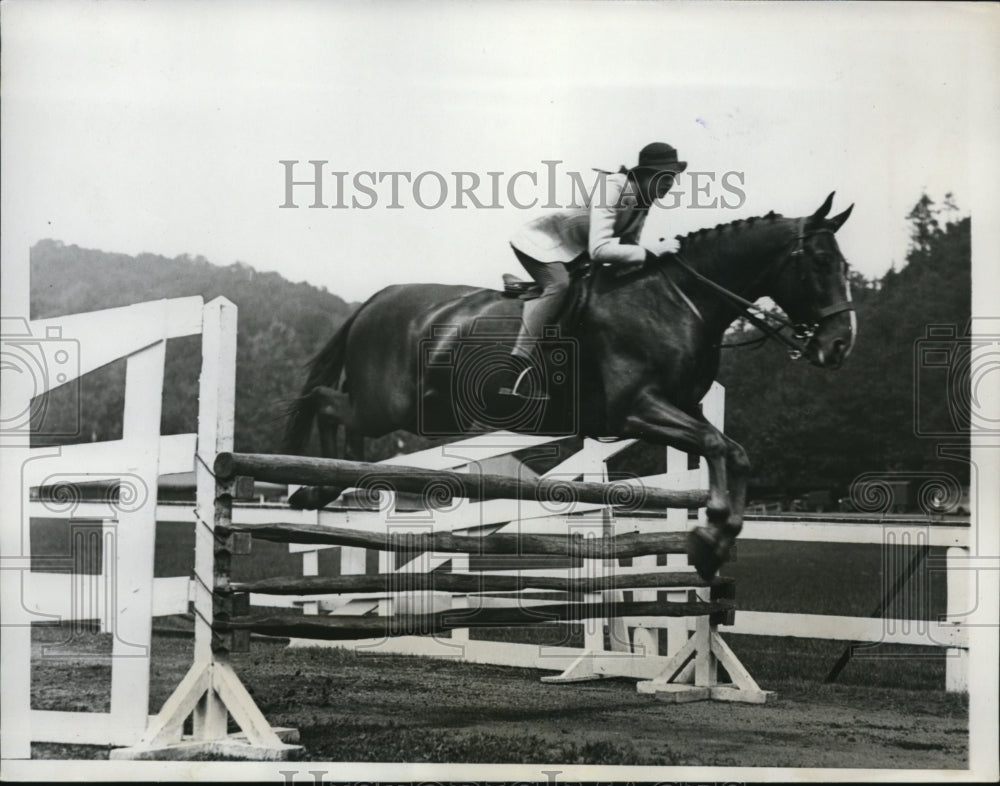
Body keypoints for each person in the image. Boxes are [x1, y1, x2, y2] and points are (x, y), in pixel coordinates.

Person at [500, 141, 687, 399]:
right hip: (541, 244)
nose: (670, 184)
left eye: (673, 178)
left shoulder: (644, 200)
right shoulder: (613, 188)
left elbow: (628, 247)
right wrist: (651, 252)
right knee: (560, 285)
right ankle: (514, 371)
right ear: (645, 176)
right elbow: (600, 249)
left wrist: (655, 261)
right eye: (665, 177)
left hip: (577, 254)